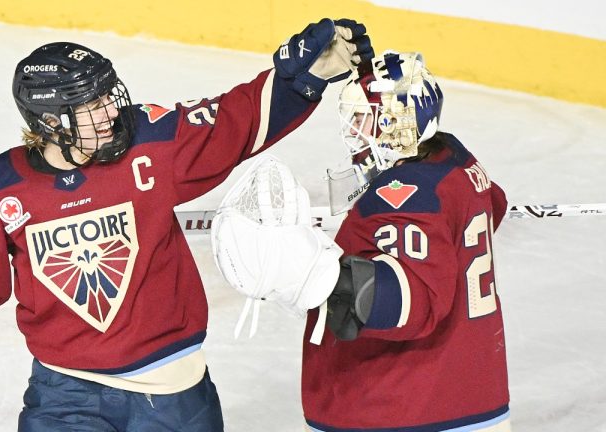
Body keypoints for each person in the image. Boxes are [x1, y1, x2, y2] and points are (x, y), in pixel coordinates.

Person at [0, 18, 374, 432]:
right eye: (91, 105)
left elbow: (232, 123)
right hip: (64, 394)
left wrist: (300, 79)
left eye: (108, 95)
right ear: (51, 120)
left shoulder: (148, 141)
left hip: (174, 391)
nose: (109, 112)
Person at [212, 51, 511, 431]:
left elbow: (412, 301)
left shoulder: (406, 193)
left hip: (404, 407)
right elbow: (494, 205)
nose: (352, 130)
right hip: (465, 396)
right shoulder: (457, 163)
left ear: (394, 124)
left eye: (361, 119)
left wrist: (316, 275)